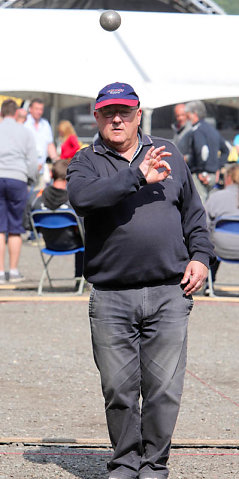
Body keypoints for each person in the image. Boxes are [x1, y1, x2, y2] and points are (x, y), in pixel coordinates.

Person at [67, 81, 215, 479]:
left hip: (169, 292)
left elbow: (194, 216)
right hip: (112, 296)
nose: (117, 118)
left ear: (139, 114)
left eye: (125, 112)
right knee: (118, 390)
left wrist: (201, 258)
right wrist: (136, 175)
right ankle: (126, 461)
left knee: (164, 391)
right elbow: (83, 200)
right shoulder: (86, 161)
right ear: (97, 116)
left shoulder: (168, 152)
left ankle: (153, 464)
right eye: (109, 112)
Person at [23, 159, 84, 284]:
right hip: (75, 244)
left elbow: (27, 225)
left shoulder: (36, 198)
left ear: (51, 174)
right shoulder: (75, 199)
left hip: (49, 243)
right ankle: (80, 281)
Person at [0, 99, 38, 284]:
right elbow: (32, 161)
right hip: (17, 178)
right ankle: (13, 271)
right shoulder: (25, 132)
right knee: (15, 227)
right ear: (16, 114)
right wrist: (31, 178)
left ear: (1, 113)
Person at [184, 100, 229, 203]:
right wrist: (217, 167)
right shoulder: (212, 130)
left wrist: (201, 170)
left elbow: (202, 151)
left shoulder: (197, 130)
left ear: (194, 114)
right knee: (208, 202)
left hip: (201, 175)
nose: (187, 118)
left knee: (198, 205)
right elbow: (226, 150)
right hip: (212, 175)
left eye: (188, 115)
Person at [204, 163, 239, 294]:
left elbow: (204, 225)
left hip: (219, 249)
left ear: (228, 178)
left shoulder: (216, 197)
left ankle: (209, 284)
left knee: (213, 237)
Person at [24, 98, 58, 188]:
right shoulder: (24, 123)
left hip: (41, 170)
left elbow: (49, 145)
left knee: (39, 198)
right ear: (30, 109)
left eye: (41, 109)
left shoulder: (45, 124)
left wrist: (56, 161)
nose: (39, 112)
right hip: (26, 170)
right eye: (36, 109)